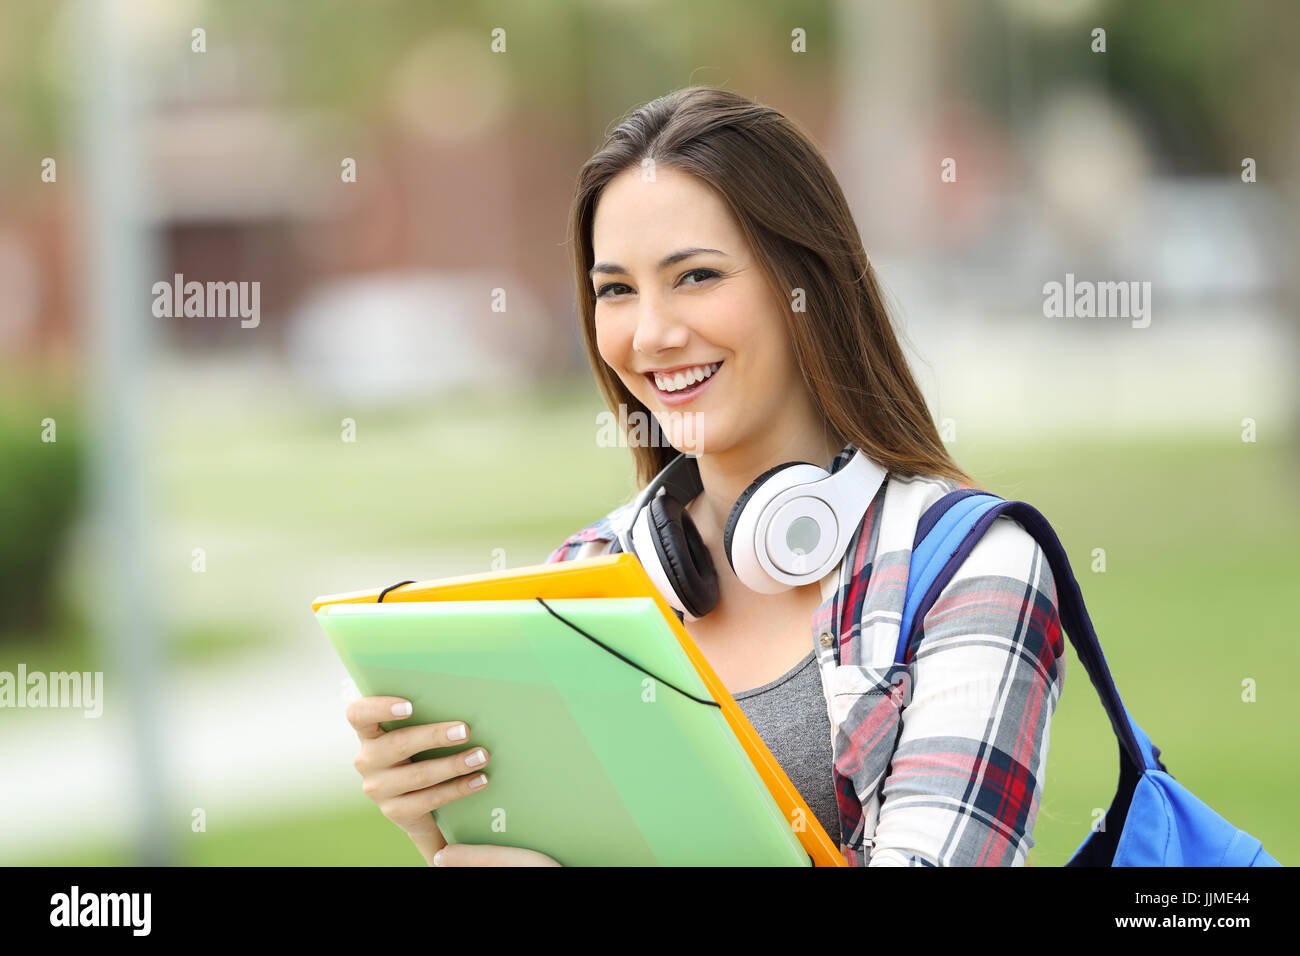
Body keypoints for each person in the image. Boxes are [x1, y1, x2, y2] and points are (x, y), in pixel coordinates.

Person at [346, 86, 1066, 867]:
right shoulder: (583, 577)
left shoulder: (974, 567)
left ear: (806, 287)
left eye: (695, 276)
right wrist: (444, 820)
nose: (651, 333)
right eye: (616, 289)